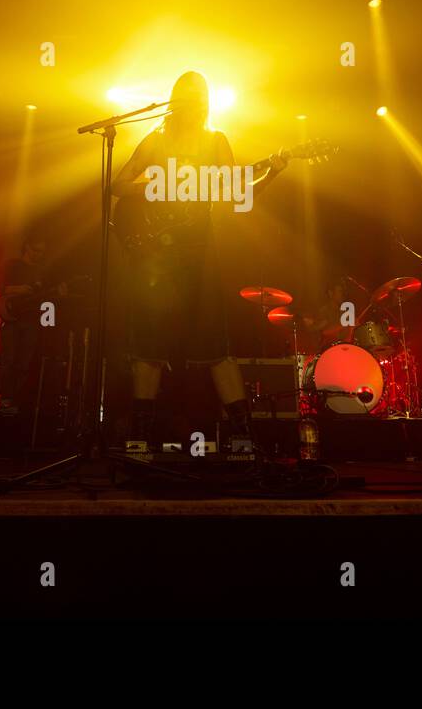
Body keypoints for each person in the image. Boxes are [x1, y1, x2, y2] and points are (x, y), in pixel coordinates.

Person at [110, 71, 289, 452]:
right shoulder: (155, 141)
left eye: (200, 96)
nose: (194, 102)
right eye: (187, 95)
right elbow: (118, 186)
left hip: (199, 255)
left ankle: (242, 438)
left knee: (216, 346)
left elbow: (238, 192)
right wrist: (157, 184)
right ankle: (139, 438)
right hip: (156, 258)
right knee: (149, 347)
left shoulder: (215, 141)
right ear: (175, 99)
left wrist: (272, 169)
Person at [0, 234, 60, 415]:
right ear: (26, 247)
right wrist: (18, 289)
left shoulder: (41, 271)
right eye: (36, 250)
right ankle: (4, 399)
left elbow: (46, 300)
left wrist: (49, 320)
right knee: (9, 360)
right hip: (11, 319)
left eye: (42, 252)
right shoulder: (12, 265)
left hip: (31, 322)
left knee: (24, 364)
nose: (39, 254)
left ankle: (15, 402)